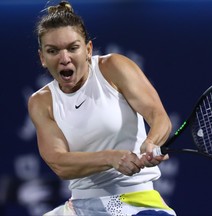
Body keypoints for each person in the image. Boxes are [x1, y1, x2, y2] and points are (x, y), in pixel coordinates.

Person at [28, 1, 176, 215]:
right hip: (80, 207)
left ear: (88, 49)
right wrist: (111, 158)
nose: (64, 59)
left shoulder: (113, 68)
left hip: (137, 201)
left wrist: (152, 142)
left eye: (73, 48)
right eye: (53, 51)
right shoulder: (41, 102)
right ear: (42, 58)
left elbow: (159, 117)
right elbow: (59, 162)